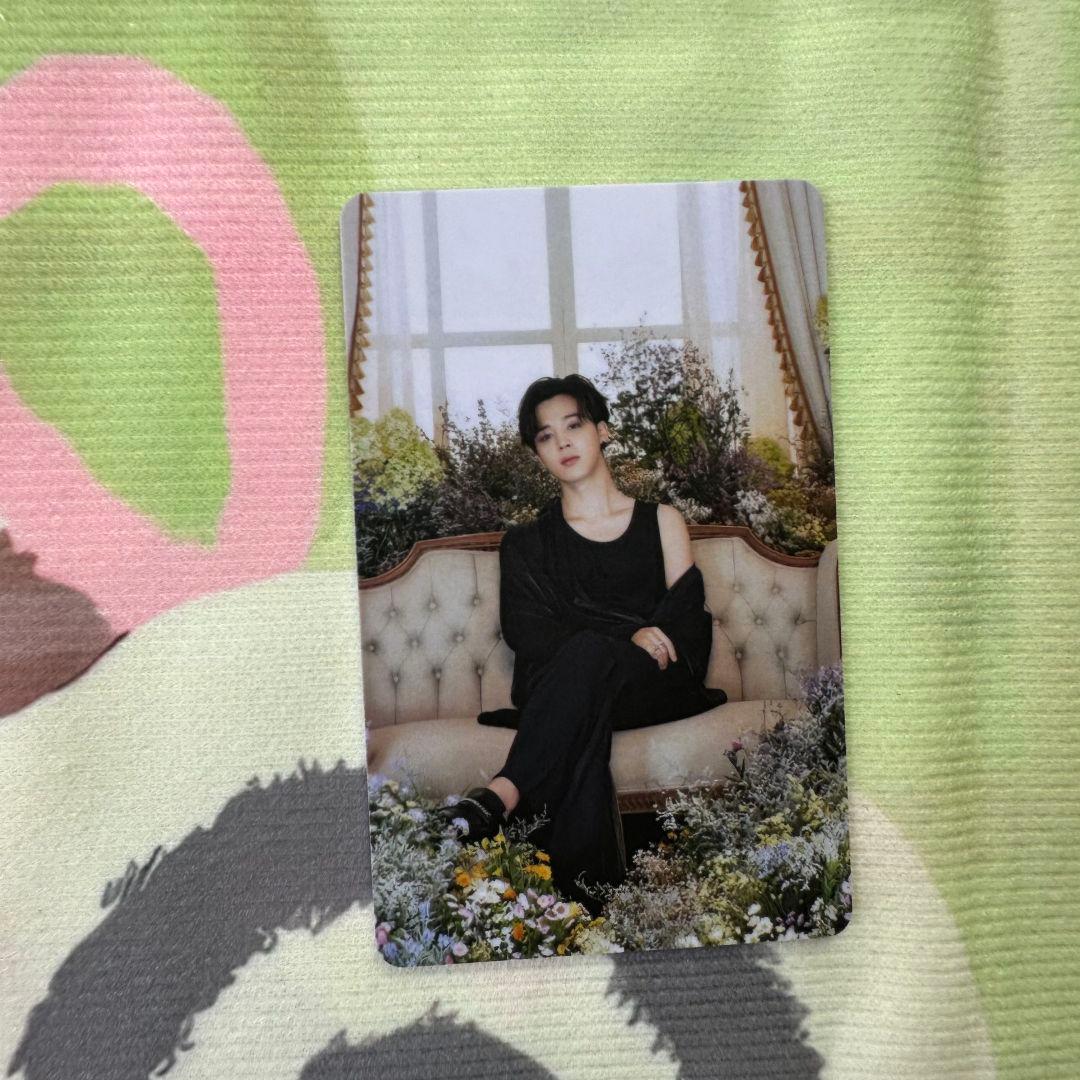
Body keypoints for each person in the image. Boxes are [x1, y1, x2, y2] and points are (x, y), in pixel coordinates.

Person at [439, 374, 726, 908]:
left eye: (573, 426)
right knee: (586, 677)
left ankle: (502, 794)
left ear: (603, 431)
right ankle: (592, 905)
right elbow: (528, 631)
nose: (563, 443)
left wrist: (625, 640)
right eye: (546, 436)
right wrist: (628, 631)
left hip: (653, 686)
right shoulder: (526, 544)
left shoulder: (661, 521)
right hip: (574, 688)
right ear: (537, 454)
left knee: (587, 656)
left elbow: (684, 623)